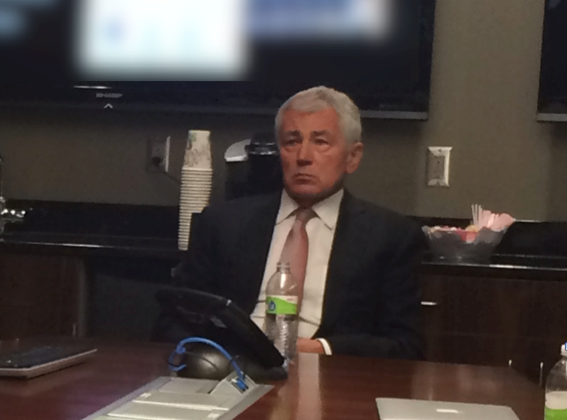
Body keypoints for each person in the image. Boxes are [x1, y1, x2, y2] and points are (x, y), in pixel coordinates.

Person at [170, 85, 425, 358]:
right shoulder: (222, 224)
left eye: (321, 142)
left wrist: (319, 349)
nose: (303, 157)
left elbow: (405, 346)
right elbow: (175, 321)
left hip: (330, 377)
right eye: (292, 141)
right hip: (231, 367)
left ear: (352, 157)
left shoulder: (390, 237)